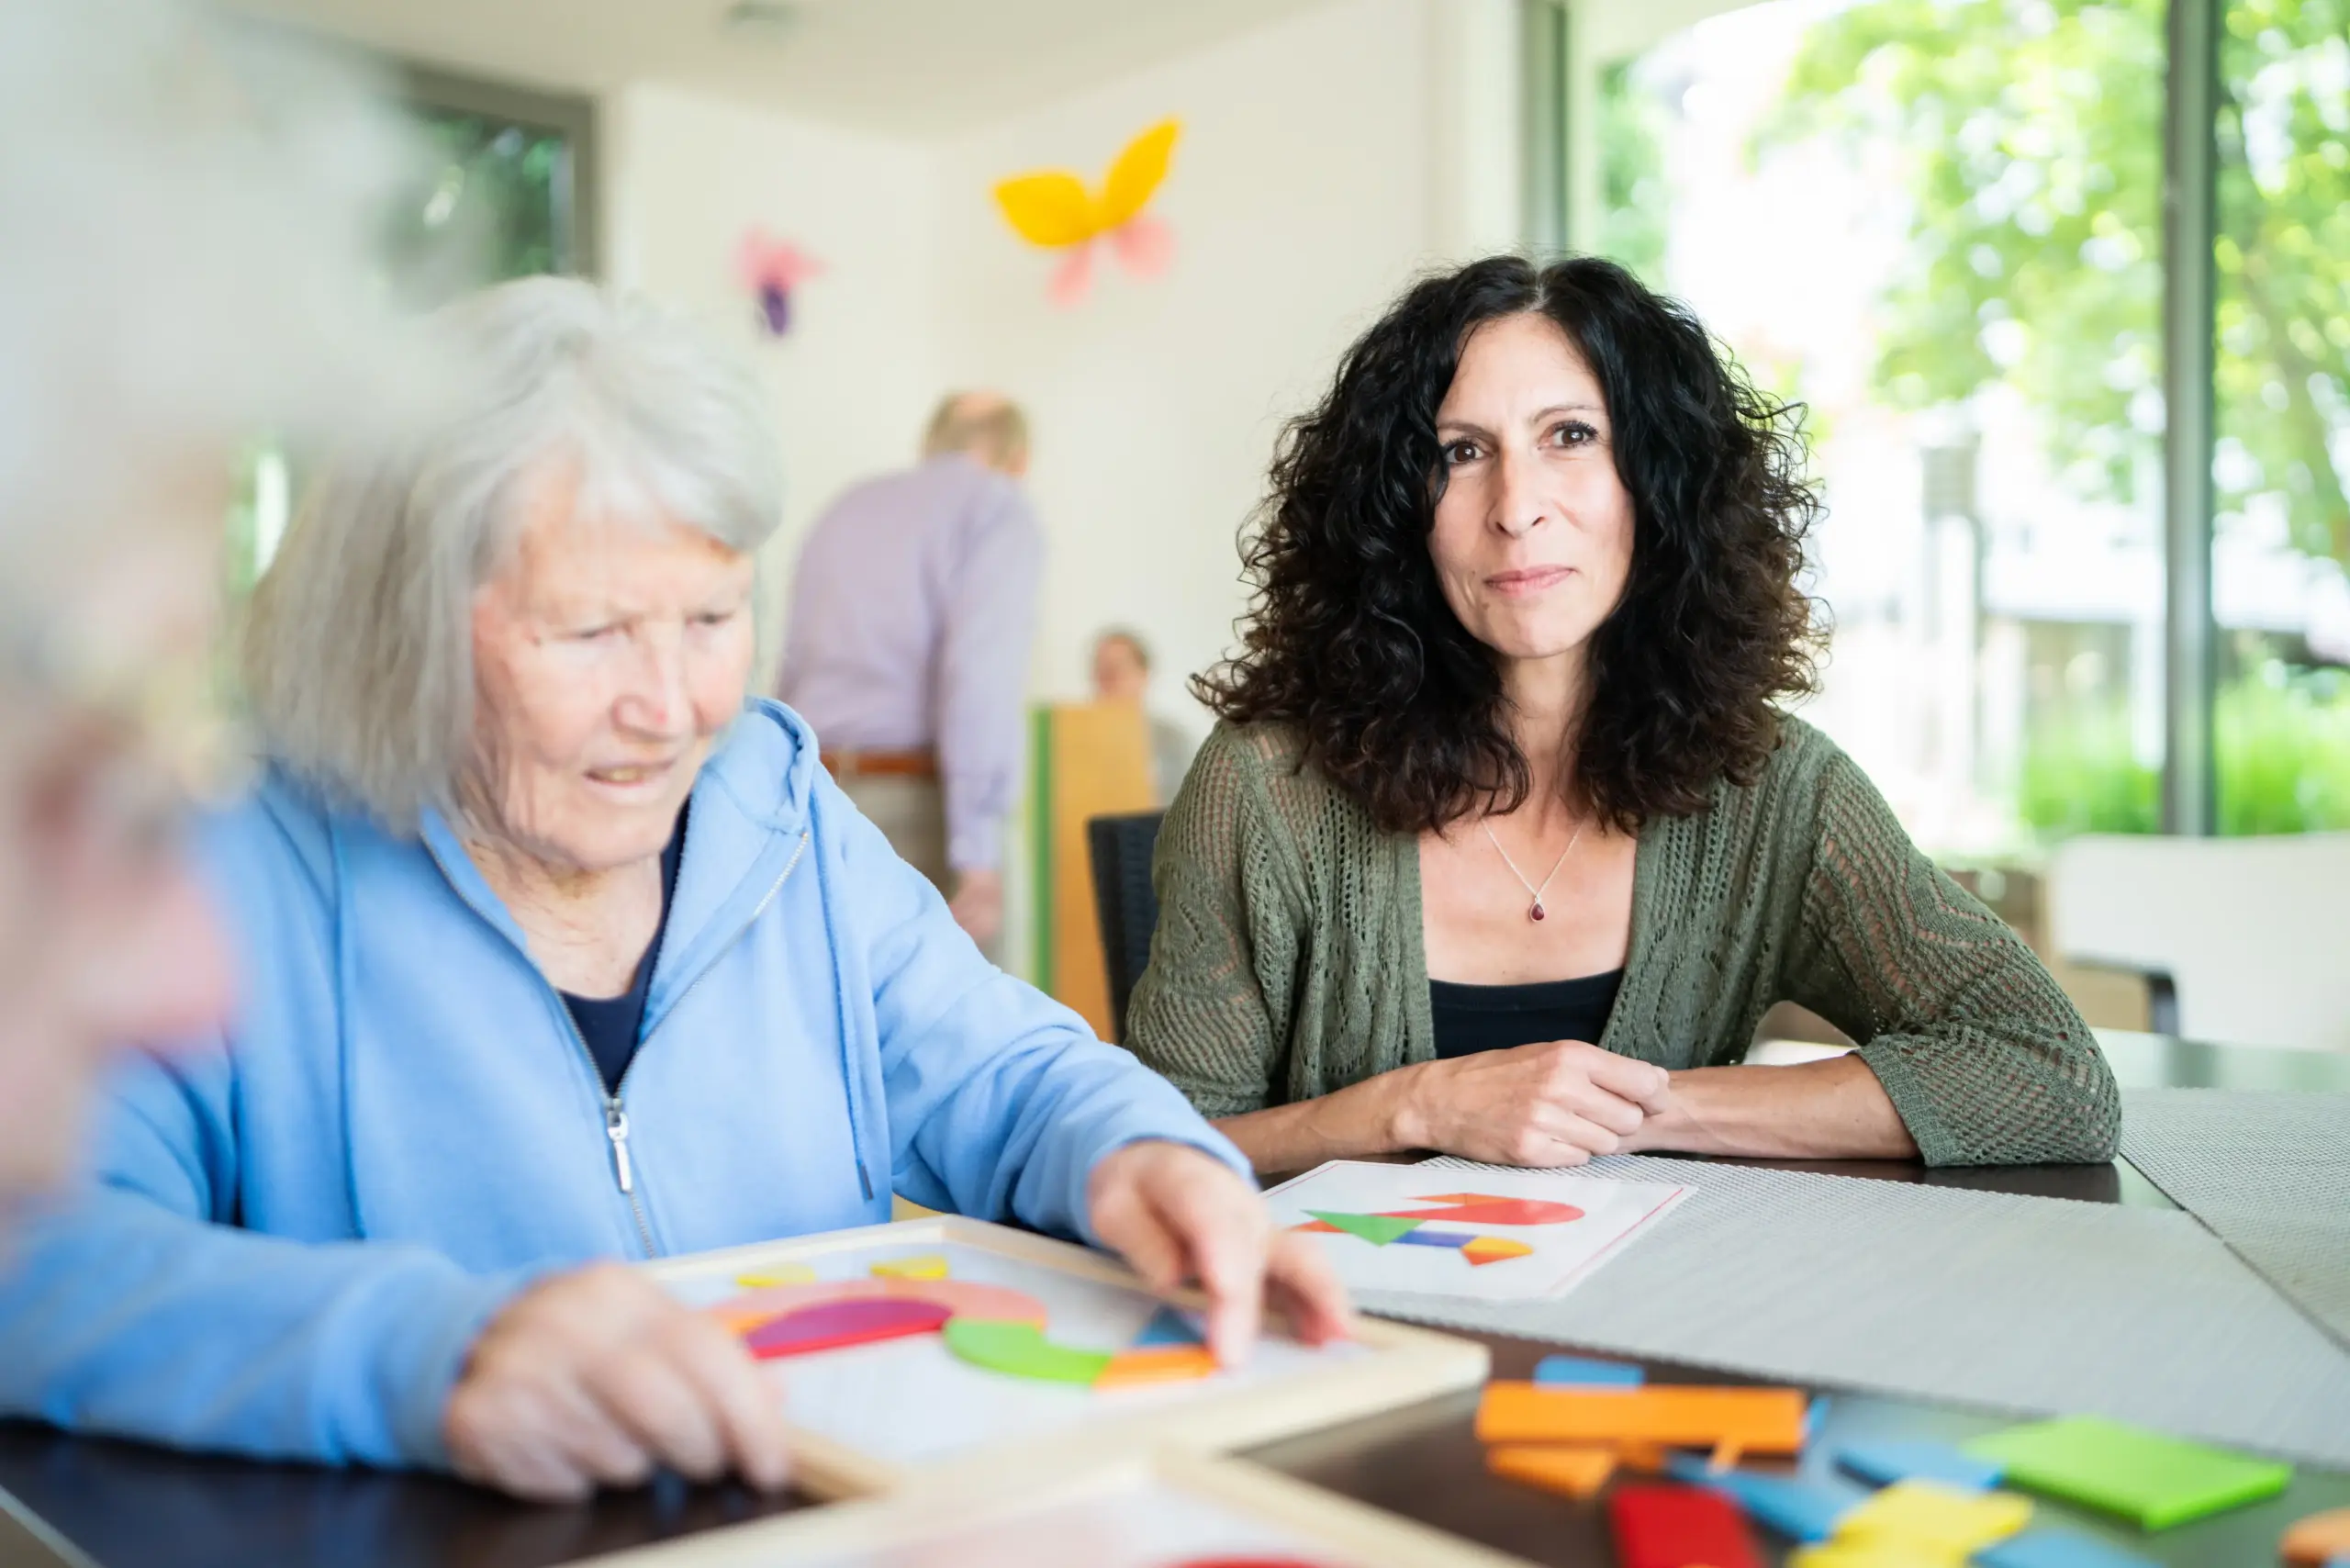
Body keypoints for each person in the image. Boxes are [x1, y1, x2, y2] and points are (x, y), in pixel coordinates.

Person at [0, 279, 1349, 1500]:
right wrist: (425, 1355)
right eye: (589, 632)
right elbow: (38, 1264)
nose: (670, 707)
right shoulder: (225, 876)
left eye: (712, 619)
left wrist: (1141, 1149)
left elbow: (1002, 1067)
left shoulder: (781, 806)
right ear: (398, 626)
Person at [1127, 255, 2120, 1175]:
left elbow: (2049, 1072)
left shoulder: (1772, 786)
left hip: (1657, 1324)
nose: (1516, 506)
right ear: (1397, 510)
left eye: (1570, 436)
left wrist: (1630, 1109)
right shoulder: (1267, 784)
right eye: (1461, 451)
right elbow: (1159, 1145)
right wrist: (1416, 1107)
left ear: (1658, 481)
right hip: (1362, 1342)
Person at [0, 0, 407, 1234]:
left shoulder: (784, 794)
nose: (204, 989)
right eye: (74, 788)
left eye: (709, 615)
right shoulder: (296, 839)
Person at [775, 394, 1041, 958]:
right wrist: (977, 852)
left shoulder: (845, 508)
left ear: (929, 445)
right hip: (924, 811)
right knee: (966, 1038)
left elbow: (790, 665)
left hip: (815, 802)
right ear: (1019, 460)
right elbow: (978, 677)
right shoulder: (996, 508)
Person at [1091, 628, 1200, 807]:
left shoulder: (1173, 741)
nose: (1107, 679)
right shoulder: (1075, 742)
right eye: (1100, 670)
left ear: (1143, 675)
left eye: (1117, 669)